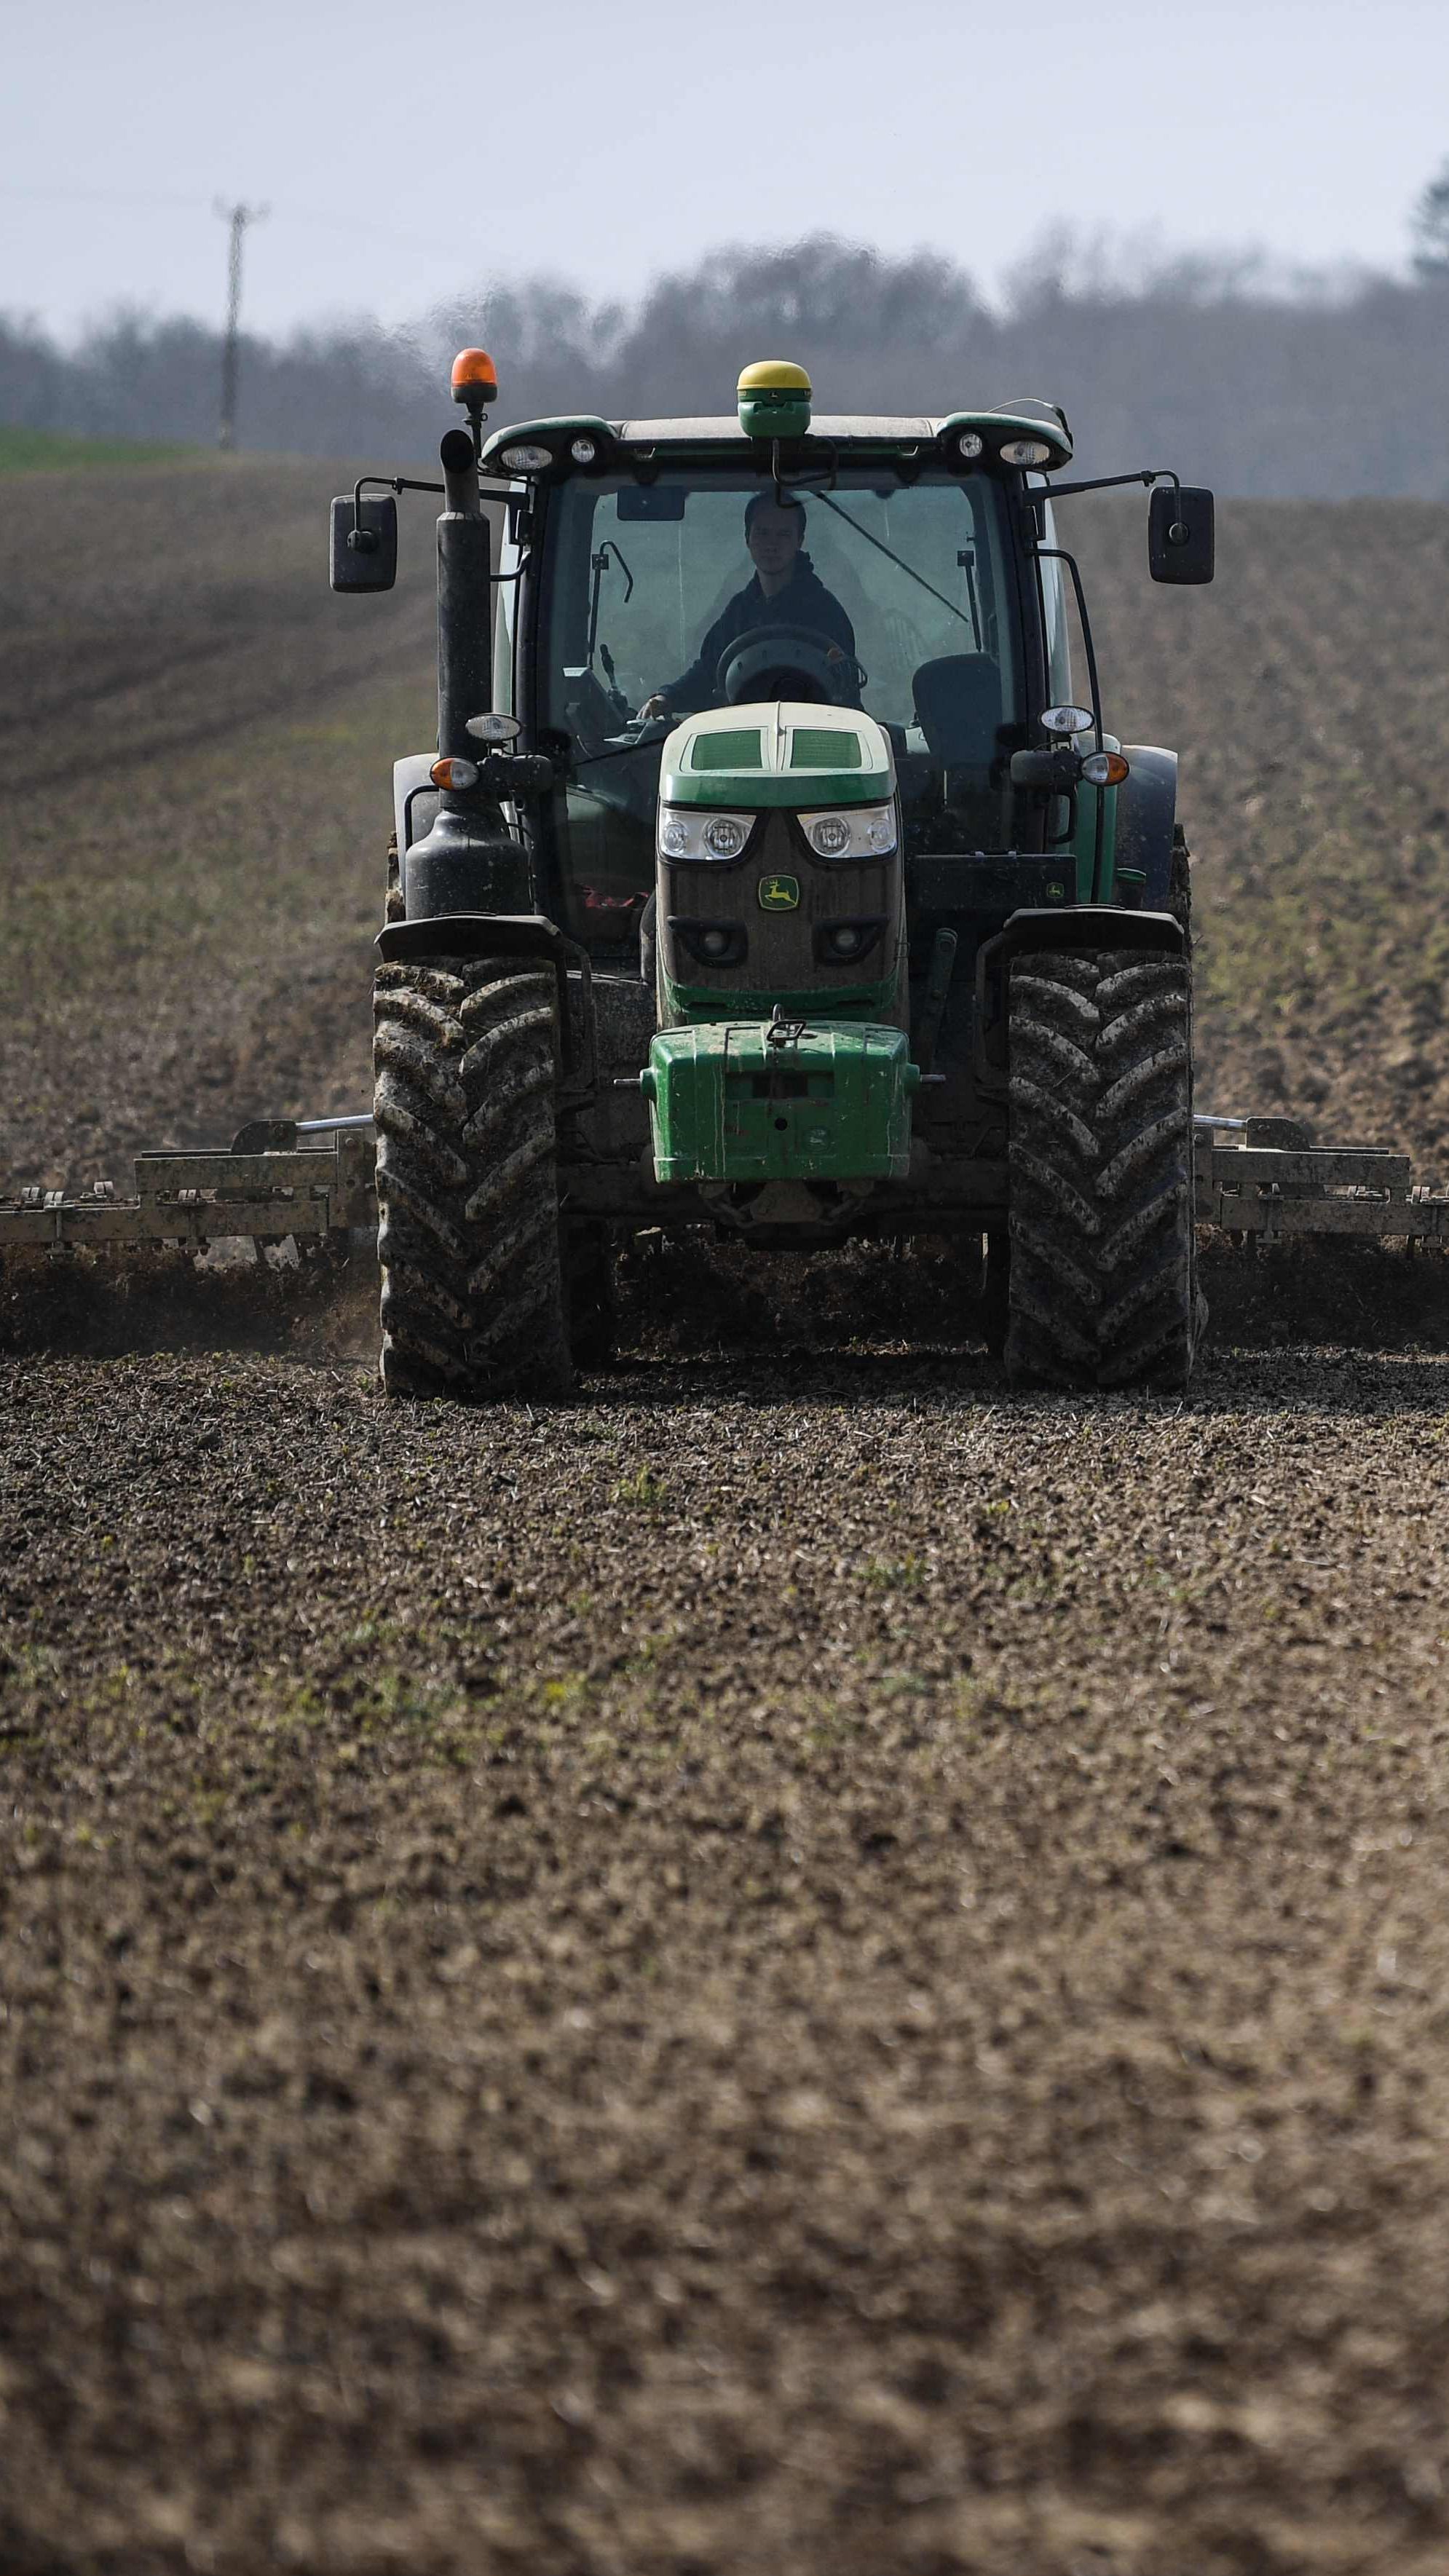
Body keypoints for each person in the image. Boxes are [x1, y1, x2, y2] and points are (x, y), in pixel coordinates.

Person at [638, 493, 858, 720]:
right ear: (747, 538)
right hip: (741, 738)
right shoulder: (738, 612)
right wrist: (667, 697)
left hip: (815, 737)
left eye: (783, 534)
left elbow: (845, 693)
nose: (772, 544)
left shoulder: (827, 613)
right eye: (762, 533)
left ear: (799, 541)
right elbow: (708, 672)